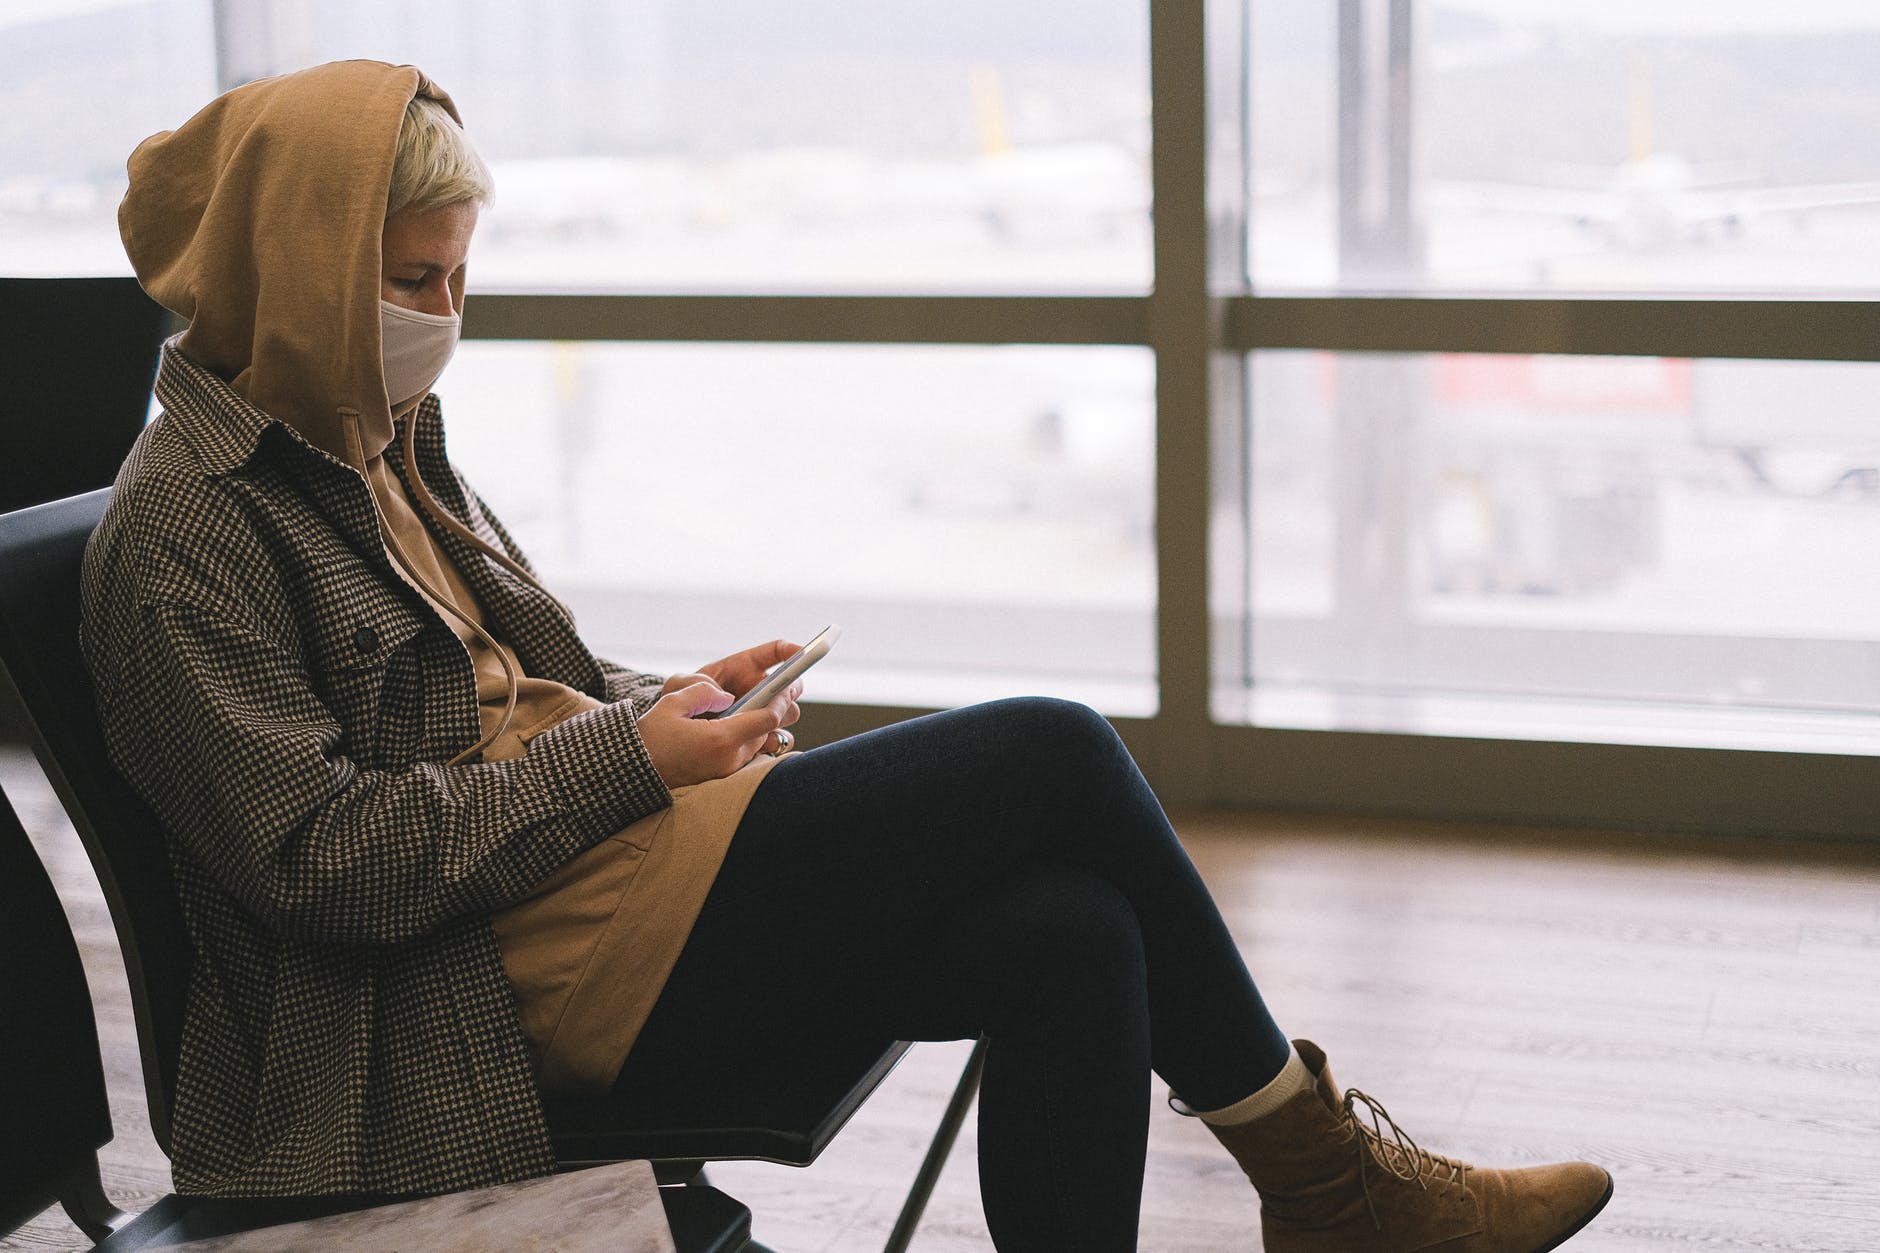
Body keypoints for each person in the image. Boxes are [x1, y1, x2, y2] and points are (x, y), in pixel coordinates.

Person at [81, 60, 1612, 1252]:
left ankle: (1333, 1193)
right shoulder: (183, 539)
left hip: (588, 879)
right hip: (471, 989)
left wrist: (662, 707)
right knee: (1051, 748)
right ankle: (1330, 1184)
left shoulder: (375, 436)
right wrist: (630, 757)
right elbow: (330, 863)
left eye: (459, 278)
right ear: (295, 270)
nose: (445, 318)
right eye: (413, 283)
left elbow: (500, 693)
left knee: (1076, 932)